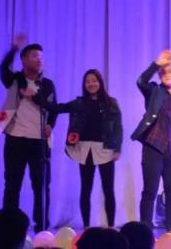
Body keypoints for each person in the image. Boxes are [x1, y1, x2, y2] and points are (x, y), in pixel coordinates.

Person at [31, 69, 123, 227]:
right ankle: (86, 226)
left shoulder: (111, 103)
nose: (91, 84)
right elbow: (56, 108)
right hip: (84, 149)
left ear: (100, 83)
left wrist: (118, 148)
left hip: (106, 149)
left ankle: (111, 226)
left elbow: (118, 128)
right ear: (84, 84)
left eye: (94, 80)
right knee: (85, 189)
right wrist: (35, 97)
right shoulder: (79, 103)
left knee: (108, 189)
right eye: (88, 81)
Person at [0, 35, 58, 233]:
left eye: (41, 56)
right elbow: (3, 69)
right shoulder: (15, 80)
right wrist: (14, 48)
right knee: (12, 184)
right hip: (15, 139)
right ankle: (9, 226)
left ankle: (42, 226)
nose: (39, 59)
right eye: (34, 56)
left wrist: (50, 124)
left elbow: (53, 108)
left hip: (39, 141)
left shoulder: (47, 84)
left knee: (41, 185)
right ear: (24, 60)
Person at [131, 49, 171, 234]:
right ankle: (145, 230)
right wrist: (156, 64)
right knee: (150, 190)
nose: (167, 74)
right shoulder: (154, 91)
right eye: (163, 72)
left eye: (170, 70)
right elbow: (141, 81)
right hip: (153, 147)